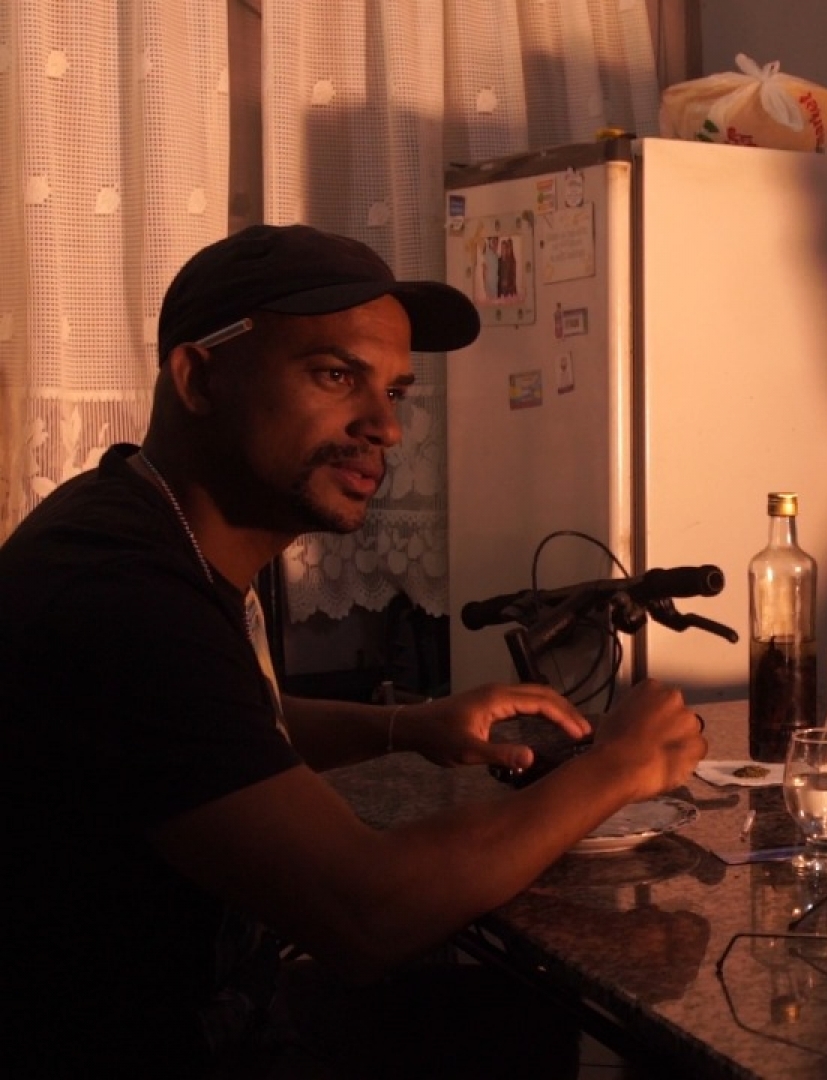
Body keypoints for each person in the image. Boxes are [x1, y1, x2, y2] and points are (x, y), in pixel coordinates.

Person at [0, 224, 708, 1076]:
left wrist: (409, 727)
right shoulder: (119, 591)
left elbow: (215, 728)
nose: (386, 428)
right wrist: (618, 769)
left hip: (218, 1012)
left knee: (528, 1020)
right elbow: (364, 914)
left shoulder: (156, 523)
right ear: (199, 378)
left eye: (396, 391)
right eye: (336, 375)